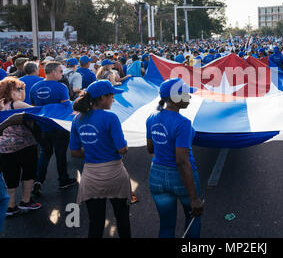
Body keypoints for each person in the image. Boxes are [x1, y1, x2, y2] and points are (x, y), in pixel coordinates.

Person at [70, 80, 131, 238]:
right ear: (103, 97)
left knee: (95, 223)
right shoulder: (111, 117)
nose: (114, 99)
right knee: (123, 220)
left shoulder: (78, 119)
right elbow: (122, 149)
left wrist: (92, 150)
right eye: (112, 96)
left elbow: (75, 152)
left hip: (91, 176)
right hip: (115, 174)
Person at [146, 78, 204, 238]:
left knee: (166, 226)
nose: (190, 97)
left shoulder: (151, 117)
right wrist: (194, 198)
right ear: (176, 98)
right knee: (193, 218)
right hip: (180, 178)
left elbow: (150, 149)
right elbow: (181, 160)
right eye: (186, 94)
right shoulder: (183, 123)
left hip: (156, 176)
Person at [30, 62, 77, 195]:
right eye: (60, 71)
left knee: (45, 153)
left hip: (42, 126)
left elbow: (34, 107)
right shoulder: (61, 87)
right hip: (58, 126)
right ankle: (63, 180)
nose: (62, 74)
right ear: (52, 72)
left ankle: (38, 181)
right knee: (60, 154)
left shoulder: (35, 87)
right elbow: (65, 107)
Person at [0, 78, 41, 217]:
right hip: (24, 145)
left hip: (4, 147)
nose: (22, 91)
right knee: (28, 172)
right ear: (9, 91)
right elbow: (38, 112)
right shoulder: (16, 104)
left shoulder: (1, 105)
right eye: (19, 89)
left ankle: (10, 206)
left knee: (10, 175)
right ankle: (26, 201)